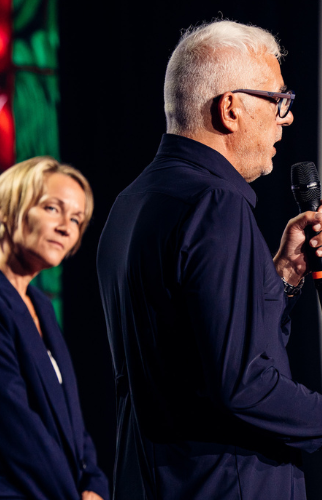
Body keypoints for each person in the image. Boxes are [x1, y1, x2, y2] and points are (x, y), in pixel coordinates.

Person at [97, 20, 322, 500]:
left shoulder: (129, 203)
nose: (286, 118)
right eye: (278, 100)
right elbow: (243, 383)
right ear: (231, 108)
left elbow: (195, 351)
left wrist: (281, 276)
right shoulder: (217, 202)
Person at [0, 156, 109, 500]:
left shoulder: (41, 306)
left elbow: (71, 421)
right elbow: (15, 429)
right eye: (52, 208)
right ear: (6, 211)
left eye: (76, 219)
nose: (66, 227)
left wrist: (94, 484)